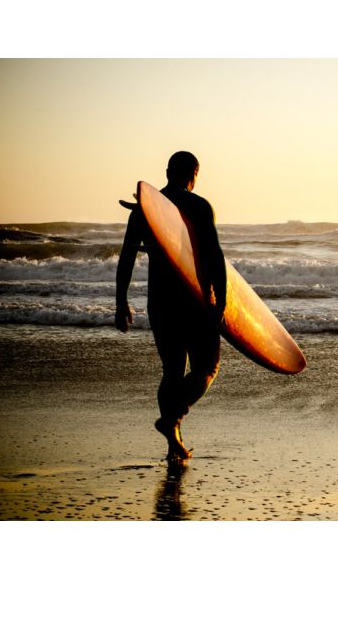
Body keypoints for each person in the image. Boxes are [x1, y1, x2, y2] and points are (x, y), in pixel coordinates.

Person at [115, 151, 227, 462]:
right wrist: (223, 300)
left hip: (160, 301)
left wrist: (120, 300)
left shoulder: (143, 212)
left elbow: (126, 258)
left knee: (172, 371)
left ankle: (172, 441)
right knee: (207, 367)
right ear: (195, 173)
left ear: (166, 171)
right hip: (195, 301)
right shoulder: (199, 206)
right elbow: (214, 257)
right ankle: (173, 418)